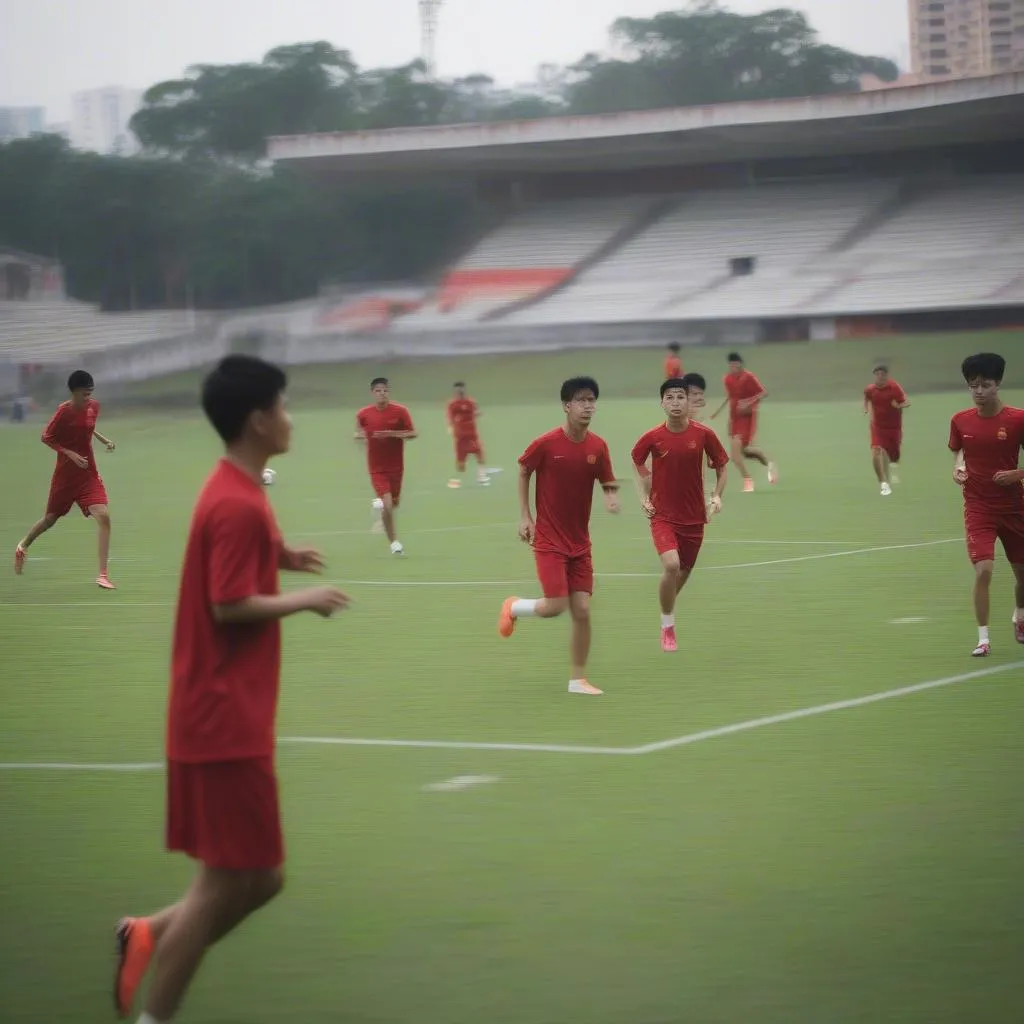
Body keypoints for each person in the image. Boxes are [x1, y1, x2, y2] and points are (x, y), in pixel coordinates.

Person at [112, 355, 350, 1024]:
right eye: (283, 405)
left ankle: (148, 933)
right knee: (221, 886)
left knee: (263, 877)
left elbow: (244, 547)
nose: (290, 417)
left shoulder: (239, 488)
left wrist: (284, 554)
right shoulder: (236, 502)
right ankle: (154, 1013)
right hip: (219, 718)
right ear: (258, 419)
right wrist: (303, 597)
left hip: (229, 714)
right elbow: (226, 604)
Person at [498, 376, 620, 695]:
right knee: (556, 607)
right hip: (550, 540)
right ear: (567, 406)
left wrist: (610, 495)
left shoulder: (598, 446)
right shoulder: (547, 443)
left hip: (581, 543)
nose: (588, 406)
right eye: (581, 401)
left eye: (592, 400)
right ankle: (513, 607)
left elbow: (607, 478)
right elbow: (524, 470)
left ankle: (577, 680)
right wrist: (526, 516)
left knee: (581, 609)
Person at [632, 379, 729, 652]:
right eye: (670, 397)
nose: (675, 402)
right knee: (672, 566)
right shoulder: (652, 437)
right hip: (662, 514)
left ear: (689, 402)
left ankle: (666, 607)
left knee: (682, 574)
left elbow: (721, 466)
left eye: (680, 397)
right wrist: (643, 495)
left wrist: (717, 495)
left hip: (694, 517)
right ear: (662, 403)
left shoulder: (703, 435)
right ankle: (667, 624)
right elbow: (637, 459)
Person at [948, 352, 1024, 657]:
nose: (979, 391)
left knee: (1022, 576)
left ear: (998, 384)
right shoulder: (960, 420)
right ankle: (983, 638)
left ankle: (1020, 614)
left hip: (1015, 506)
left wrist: (1017, 474)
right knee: (984, 570)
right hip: (978, 506)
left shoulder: (1018, 419)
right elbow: (959, 451)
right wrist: (958, 467)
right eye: (973, 385)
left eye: (985, 385)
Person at [14, 369, 117, 588]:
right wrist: (69, 453)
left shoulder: (94, 407)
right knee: (50, 519)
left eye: (90, 393)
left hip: (88, 474)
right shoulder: (63, 412)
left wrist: (105, 440)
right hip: (65, 478)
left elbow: (89, 428)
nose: (88, 398)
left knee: (104, 517)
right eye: (84, 394)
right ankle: (22, 546)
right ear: (74, 392)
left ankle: (103, 575)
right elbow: (46, 437)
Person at [354, 377, 417, 555]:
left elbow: (413, 433)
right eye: (378, 391)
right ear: (372, 393)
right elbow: (358, 431)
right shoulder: (364, 414)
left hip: (396, 467)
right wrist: (359, 437)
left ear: (388, 392)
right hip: (376, 468)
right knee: (388, 505)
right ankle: (394, 543)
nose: (382, 393)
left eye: (385, 390)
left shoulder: (400, 411)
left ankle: (381, 515)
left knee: (393, 505)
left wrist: (392, 434)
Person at [710, 352, 777, 492]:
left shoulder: (749, 377)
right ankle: (769, 463)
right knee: (745, 452)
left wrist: (748, 402)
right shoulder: (727, 379)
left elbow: (764, 392)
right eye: (731, 364)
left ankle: (748, 481)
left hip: (747, 417)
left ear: (740, 364)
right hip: (735, 417)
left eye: (735, 364)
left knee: (735, 455)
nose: (733, 366)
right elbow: (730, 396)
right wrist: (719, 411)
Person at [864, 364, 910, 496]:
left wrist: (898, 405)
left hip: (894, 428)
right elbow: (866, 398)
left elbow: (907, 402)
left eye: (882, 374)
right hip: (877, 427)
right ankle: (883, 484)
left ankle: (893, 464)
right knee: (876, 450)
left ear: (886, 375)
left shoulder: (894, 388)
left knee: (894, 454)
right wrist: (866, 409)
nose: (879, 377)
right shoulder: (870, 389)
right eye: (877, 374)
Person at [446, 381, 488, 488]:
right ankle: (458, 479)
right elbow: (450, 417)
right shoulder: (452, 404)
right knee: (461, 462)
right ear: (455, 391)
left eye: (461, 389)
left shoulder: (470, 401)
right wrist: (450, 427)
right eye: (458, 389)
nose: (460, 391)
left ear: (464, 389)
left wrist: (478, 413)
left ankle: (481, 476)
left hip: (472, 433)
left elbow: (476, 411)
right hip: (460, 435)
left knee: (479, 454)